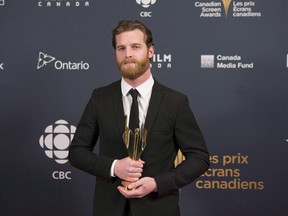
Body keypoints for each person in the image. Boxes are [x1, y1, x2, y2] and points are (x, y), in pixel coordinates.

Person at [68, 20, 210, 216]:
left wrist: (158, 183)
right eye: (121, 48)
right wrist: (114, 167)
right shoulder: (100, 98)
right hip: (109, 209)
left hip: (159, 209)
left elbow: (199, 158)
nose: (128, 54)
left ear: (150, 51)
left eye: (135, 47)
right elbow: (77, 151)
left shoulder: (175, 102)